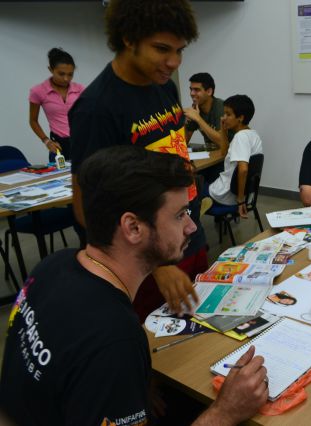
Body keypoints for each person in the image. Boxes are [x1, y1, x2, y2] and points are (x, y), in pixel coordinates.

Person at [0, 147, 268, 425]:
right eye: (179, 215)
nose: (191, 227)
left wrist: (128, 387)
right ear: (133, 228)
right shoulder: (115, 339)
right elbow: (100, 354)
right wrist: (225, 412)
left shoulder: (53, 265)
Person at [68, 0, 208, 319]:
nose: (174, 61)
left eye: (180, 50)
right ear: (129, 38)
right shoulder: (96, 109)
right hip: (145, 266)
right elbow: (86, 209)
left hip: (187, 236)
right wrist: (158, 264)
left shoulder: (165, 88)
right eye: (161, 49)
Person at [208, 94, 263, 218]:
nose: (223, 118)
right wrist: (223, 130)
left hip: (225, 196)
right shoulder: (253, 134)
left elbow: (243, 169)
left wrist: (240, 200)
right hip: (244, 196)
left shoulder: (240, 137)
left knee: (191, 191)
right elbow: (224, 153)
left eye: (228, 114)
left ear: (240, 118)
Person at [28, 47, 84, 162]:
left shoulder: (80, 89)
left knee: (85, 173)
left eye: (70, 74)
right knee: (59, 173)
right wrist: (46, 141)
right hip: (58, 145)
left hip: (80, 141)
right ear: (51, 69)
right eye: (61, 74)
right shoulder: (38, 91)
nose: (66, 79)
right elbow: (33, 120)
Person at [184, 72, 228, 151]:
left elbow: (222, 142)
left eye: (196, 90)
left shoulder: (221, 107)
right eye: (191, 89)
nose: (192, 93)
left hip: (230, 153)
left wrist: (198, 118)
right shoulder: (196, 109)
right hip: (212, 153)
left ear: (209, 92)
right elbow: (183, 142)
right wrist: (183, 122)